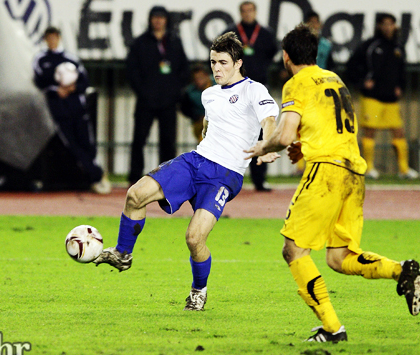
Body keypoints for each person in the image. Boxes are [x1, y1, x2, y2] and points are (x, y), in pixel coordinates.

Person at [244, 24, 420, 342]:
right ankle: (400, 270)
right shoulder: (333, 78)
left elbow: (284, 134)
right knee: (338, 257)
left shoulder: (295, 83)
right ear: (314, 53)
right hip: (353, 173)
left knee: (293, 250)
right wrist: (304, 142)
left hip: (325, 173)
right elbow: (331, 122)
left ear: (286, 57)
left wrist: (263, 147)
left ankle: (332, 328)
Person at [94, 32, 280, 311]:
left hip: (225, 175)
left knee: (194, 238)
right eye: (213, 62)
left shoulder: (254, 90)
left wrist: (267, 145)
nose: (216, 68)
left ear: (238, 63)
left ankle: (199, 290)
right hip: (196, 161)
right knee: (135, 195)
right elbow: (209, 124)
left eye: (223, 63)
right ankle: (122, 253)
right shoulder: (209, 94)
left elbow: (269, 120)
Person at [33, 26, 110, 194]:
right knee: (73, 146)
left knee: (87, 144)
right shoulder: (41, 59)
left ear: (59, 38)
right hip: (59, 111)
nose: (52, 41)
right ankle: (96, 177)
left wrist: (72, 88)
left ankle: (96, 175)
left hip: (77, 108)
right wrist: (56, 90)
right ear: (45, 40)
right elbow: (39, 82)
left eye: (54, 37)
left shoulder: (71, 59)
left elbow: (84, 82)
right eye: (49, 38)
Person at [346, 13, 418, 180]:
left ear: (395, 26)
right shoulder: (370, 46)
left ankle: (404, 169)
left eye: (391, 24)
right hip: (372, 98)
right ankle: (369, 168)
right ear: (378, 26)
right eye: (385, 24)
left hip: (391, 100)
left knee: (399, 132)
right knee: (370, 131)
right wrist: (362, 82)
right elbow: (351, 66)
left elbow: (402, 71)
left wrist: (400, 86)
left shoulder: (398, 48)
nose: (388, 27)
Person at [126, 6, 190, 186]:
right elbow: (132, 70)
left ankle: (167, 178)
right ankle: (134, 176)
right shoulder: (140, 43)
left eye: (161, 18)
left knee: (168, 141)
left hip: (168, 102)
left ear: (166, 20)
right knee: (139, 139)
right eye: (155, 17)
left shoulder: (175, 41)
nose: (158, 21)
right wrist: (143, 91)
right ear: (150, 20)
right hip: (146, 101)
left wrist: (175, 91)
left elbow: (183, 69)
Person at [224, 1, 278, 192]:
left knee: (261, 132)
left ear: (255, 12)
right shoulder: (231, 33)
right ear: (240, 12)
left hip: (259, 88)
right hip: (236, 89)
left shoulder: (265, 34)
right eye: (244, 11)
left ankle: (259, 179)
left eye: (250, 10)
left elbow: (272, 52)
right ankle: (227, 177)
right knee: (234, 132)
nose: (247, 14)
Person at [293, 10, 336, 175]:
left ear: (320, 25)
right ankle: (299, 166)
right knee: (301, 126)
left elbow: (331, 66)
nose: (313, 26)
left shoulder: (326, 45)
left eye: (315, 23)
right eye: (310, 23)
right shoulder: (298, 44)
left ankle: (320, 161)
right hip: (304, 88)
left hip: (321, 90)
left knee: (321, 126)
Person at [180, 64, 214, 142]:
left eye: (200, 78)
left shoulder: (220, 86)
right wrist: (196, 117)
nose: (198, 81)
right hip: (201, 125)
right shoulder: (190, 93)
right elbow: (185, 108)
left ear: (207, 76)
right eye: (195, 79)